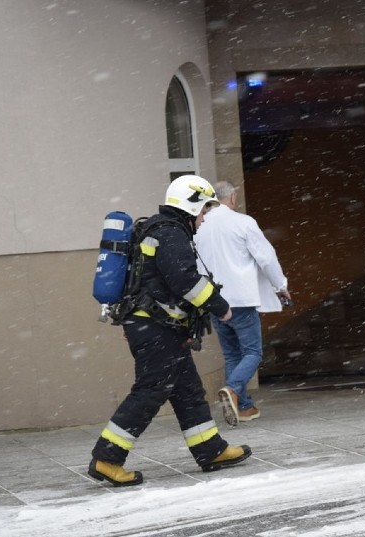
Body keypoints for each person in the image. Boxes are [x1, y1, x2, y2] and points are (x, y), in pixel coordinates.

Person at [88, 175, 252, 486]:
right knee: (151, 391)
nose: (203, 221)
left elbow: (150, 281)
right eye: (203, 212)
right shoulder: (170, 233)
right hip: (155, 328)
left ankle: (210, 449)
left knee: (187, 390)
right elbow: (185, 281)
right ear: (191, 207)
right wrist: (221, 306)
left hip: (156, 325)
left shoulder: (157, 229)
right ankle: (107, 458)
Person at [195, 180, 291, 425]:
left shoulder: (199, 227)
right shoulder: (243, 223)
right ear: (233, 198)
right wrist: (280, 286)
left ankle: (245, 406)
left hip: (214, 300)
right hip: (241, 299)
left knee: (231, 355)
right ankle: (234, 389)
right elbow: (266, 258)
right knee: (253, 352)